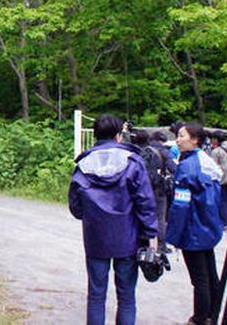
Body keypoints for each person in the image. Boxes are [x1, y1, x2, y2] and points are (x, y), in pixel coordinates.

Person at [69, 114, 158, 325]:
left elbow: (75, 207)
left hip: (96, 238)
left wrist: (92, 216)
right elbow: (145, 201)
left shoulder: (84, 164)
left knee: (96, 294)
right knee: (126, 296)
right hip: (128, 238)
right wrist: (151, 234)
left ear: (96, 135)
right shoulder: (133, 162)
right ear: (119, 136)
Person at [166, 122, 224, 325]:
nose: (178, 140)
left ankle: (199, 319)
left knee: (199, 279)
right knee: (210, 275)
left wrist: (172, 234)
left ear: (195, 140)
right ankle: (212, 315)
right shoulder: (206, 161)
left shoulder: (187, 167)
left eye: (182, 136)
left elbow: (180, 205)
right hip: (208, 227)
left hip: (193, 229)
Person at [131, 129, 175, 253]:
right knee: (160, 217)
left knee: (137, 214)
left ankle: (138, 243)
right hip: (158, 189)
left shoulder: (132, 154)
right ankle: (161, 245)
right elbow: (173, 168)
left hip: (138, 189)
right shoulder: (161, 152)